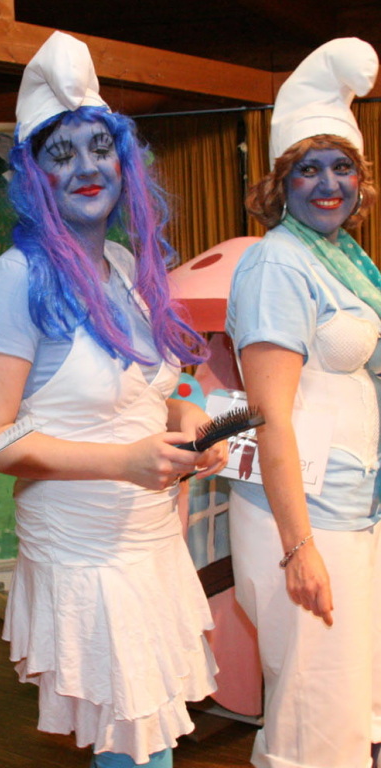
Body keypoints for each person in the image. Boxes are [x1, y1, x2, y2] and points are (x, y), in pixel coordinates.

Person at [0, 31, 225, 768]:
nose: (86, 167)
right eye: (61, 152)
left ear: (125, 161)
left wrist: (187, 413)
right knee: (132, 747)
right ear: (33, 174)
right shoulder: (14, 279)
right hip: (86, 555)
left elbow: (156, 384)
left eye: (99, 148)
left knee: (151, 738)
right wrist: (124, 460)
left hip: (148, 541)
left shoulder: (122, 265)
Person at [226, 37, 381, 768]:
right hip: (306, 520)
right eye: (307, 170)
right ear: (280, 184)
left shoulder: (347, 259)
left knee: (348, 717)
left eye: (341, 167)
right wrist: (299, 548)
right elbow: (268, 416)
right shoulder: (276, 264)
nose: (328, 184)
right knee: (312, 731)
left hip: (353, 514)